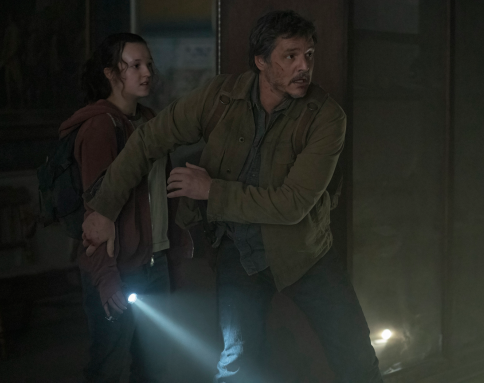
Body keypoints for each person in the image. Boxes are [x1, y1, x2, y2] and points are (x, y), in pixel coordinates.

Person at [81, 12, 383, 383]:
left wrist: (211, 190)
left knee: (355, 356)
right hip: (239, 253)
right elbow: (148, 139)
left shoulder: (326, 117)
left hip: (304, 254)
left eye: (308, 55)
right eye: (290, 56)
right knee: (237, 363)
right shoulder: (221, 97)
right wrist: (104, 208)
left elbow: (291, 204)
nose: (304, 66)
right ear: (261, 61)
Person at [61, 32, 192, 382]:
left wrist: (173, 251)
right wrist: (106, 279)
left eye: (148, 63)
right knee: (107, 365)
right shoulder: (100, 128)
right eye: (134, 65)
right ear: (110, 73)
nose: (146, 72)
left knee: (152, 368)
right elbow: (96, 213)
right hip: (119, 269)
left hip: (154, 263)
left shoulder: (150, 121)